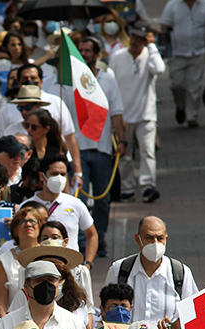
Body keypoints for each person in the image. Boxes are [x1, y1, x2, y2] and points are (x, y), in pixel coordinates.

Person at [72, 36, 127, 256]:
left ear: (97, 55)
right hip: (77, 150)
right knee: (80, 199)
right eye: (81, 50)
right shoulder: (71, 81)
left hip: (103, 149)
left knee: (103, 199)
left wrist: (122, 141)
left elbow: (116, 113)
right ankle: (81, 242)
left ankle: (100, 238)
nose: (84, 53)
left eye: (88, 50)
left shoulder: (108, 80)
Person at [105, 216, 198, 324]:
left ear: (166, 239)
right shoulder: (120, 269)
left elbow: (193, 314)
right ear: (137, 239)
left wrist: (174, 327)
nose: (155, 243)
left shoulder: (181, 273)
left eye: (160, 238)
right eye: (149, 238)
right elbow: (106, 309)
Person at [110, 24, 165, 203]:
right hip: (123, 116)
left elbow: (159, 69)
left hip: (145, 115)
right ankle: (127, 189)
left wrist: (152, 46)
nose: (135, 41)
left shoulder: (151, 56)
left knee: (147, 152)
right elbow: (111, 84)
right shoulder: (118, 57)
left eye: (139, 38)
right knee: (124, 155)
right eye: (133, 36)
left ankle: (148, 186)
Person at [21, 154, 98, 264]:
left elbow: (92, 235)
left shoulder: (75, 204)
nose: (59, 178)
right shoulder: (27, 206)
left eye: (63, 174)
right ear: (42, 176)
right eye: (54, 174)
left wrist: (88, 264)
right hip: (37, 269)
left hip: (70, 269)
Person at [159, 0, 205, 128]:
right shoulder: (172, 5)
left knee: (195, 85)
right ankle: (180, 105)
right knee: (177, 84)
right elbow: (164, 26)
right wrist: (165, 48)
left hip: (198, 51)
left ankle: (192, 115)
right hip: (177, 53)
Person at [0, 203, 49, 317]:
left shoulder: (50, 255)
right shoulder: (4, 261)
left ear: (40, 226)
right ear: (15, 230)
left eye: (33, 221)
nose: (28, 224)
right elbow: (0, 305)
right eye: (22, 222)